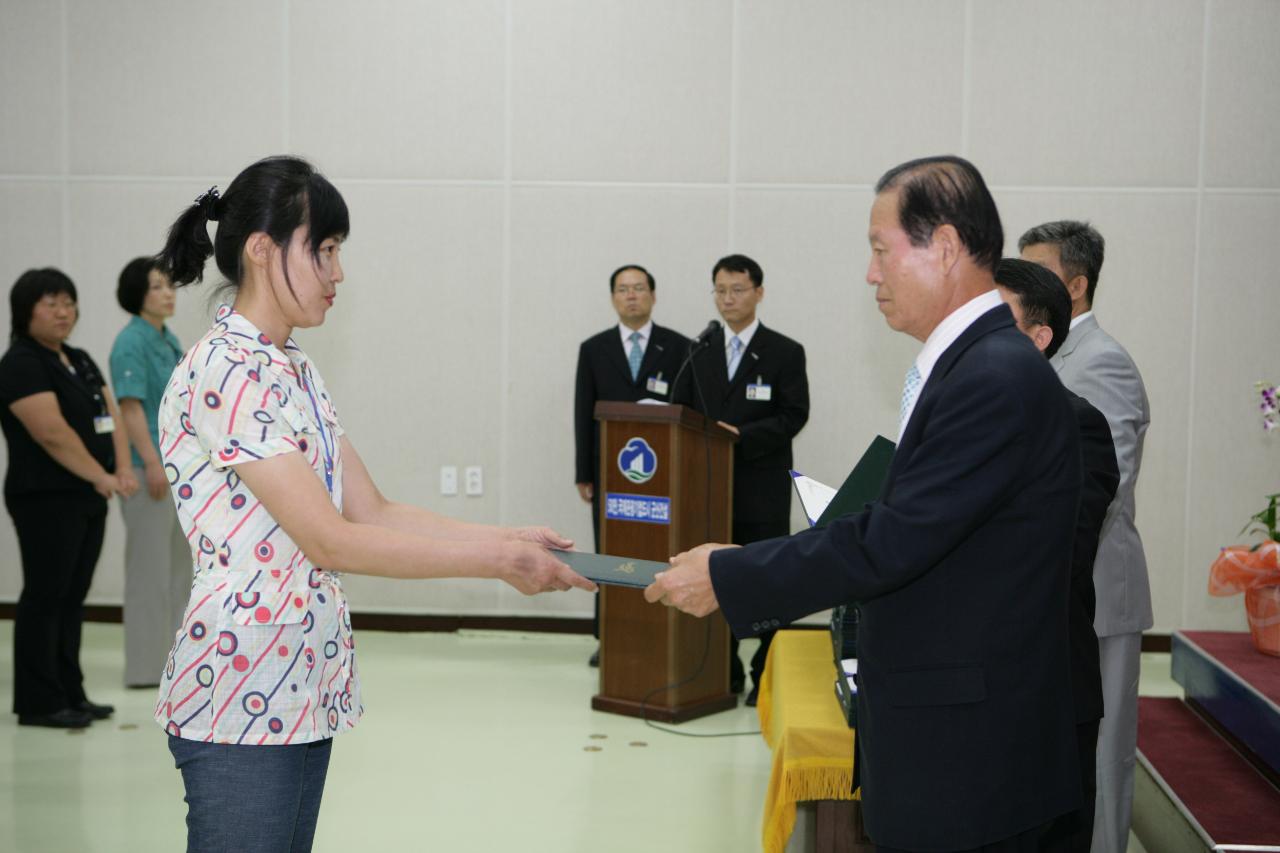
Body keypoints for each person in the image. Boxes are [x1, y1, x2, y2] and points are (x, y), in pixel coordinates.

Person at [152, 156, 595, 853]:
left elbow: (373, 511)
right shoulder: (229, 369)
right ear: (262, 250)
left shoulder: (289, 364)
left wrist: (511, 537)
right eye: (323, 249)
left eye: (338, 251)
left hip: (297, 678)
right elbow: (330, 540)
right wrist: (498, 562)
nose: (338, 273)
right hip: (241, 684)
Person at [648, 156, 1083, 851]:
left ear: (943, 247)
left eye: (881, 250)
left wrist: (731, 574)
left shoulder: (992, 377)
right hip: (954, 747)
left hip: (972, 764)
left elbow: (892, 540)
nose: (870, 273)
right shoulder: (973, 366)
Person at [1019, 221, 1151, 853]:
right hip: (1050, 592)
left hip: (1093, 586)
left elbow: (1103, 485)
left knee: (1100, 759)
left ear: (1075, 285)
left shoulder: (1101, 362)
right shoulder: (1036, 354)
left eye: (1037, 275)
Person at [995, 258, 1121, 852]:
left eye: (995, 322)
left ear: (1039, 339)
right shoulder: (955, 415)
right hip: (968, 694)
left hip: (1043, 688)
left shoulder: (1078, 425)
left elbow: (1059, 555)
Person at [0, 268, 138, 728]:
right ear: (25, 311)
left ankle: (70, 692)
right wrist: (100, 475)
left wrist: (119, 469)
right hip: (46, 496)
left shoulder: (77, 358)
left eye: (69, 302)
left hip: (88, 493)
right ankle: (39, 702)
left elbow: (110, 415)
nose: (64, 312)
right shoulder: (21, 363)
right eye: (51, 303)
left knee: (72, 596)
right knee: (45, 596)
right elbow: (51, 434)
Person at [671, 253, 808, 706]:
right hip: (707, 491)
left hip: (760, 489)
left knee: (766, 581)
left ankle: (765, 674)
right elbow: (680, 415)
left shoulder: (785, 351)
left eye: (737, 290)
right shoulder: (698, 351)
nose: (727, 299)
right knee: (712, 578)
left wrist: (742, 436)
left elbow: (794, 415)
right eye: (720, 290)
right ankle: (721, 673)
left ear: (759, 293)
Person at [573, 265, 688, 665]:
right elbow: (582, 413)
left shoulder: (679, 347)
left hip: (665, 479)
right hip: (610, 474)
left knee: (662, 552)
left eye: (639, 288)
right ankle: (608, 637)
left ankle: (665, 630)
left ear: (653, 296)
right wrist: (583, 472)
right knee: (609, 555)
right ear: (613, 298)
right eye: (623, 289)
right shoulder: (594, 349)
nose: (632, 296)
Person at [110, 256, 188, 688]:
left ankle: (177, 665)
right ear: (138, 294)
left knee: (179, 574)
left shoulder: (168, 339)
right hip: (148, 472)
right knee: (148, 575)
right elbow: (130, 407)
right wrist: (153, 463)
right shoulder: (131, 343)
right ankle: (143, 671)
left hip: (175, 472)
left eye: (169, 285)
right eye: (157, 286)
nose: (168, 292)